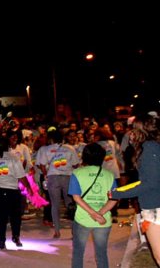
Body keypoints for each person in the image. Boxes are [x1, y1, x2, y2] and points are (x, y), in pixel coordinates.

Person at [111, 114, 160, 266]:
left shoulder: (149, 148)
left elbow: (150, 183)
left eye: (133, 129)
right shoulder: (153, 147)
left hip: (155, 208)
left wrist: (118, 193)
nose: (130, 133)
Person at [68, 143, 118, 268]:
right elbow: (114, 198)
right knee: (101, 254)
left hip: (82, 218)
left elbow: (76, 197)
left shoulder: (77, 173)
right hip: (103, 220)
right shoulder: (110, 175)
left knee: (78, 253)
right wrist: (99, 214)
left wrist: (92, 214)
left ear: (84, 157)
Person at [36, 129, 80, 238]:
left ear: (51, 138)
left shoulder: (46, 149)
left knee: (55, 205)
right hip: (67, 177)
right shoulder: (69, 148)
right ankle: (74, 231)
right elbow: (76, 164)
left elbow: (42, 165)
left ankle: (57, 231)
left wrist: (45, 174)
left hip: (53, 177)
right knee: (69, 204)